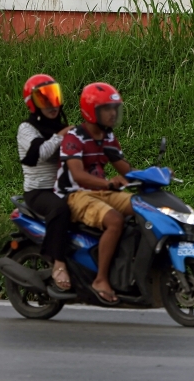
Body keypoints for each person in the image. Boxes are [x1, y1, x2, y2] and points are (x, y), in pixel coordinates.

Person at [55, 82, 136, 305]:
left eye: (114, 109)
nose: (112, 114)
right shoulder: (74, 138)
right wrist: (108, 183)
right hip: (74, 195)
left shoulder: (108, 137)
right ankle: (100, 280)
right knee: (114, 220)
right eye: (106, 109)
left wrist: (156, 176)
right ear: (91, 111)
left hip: (100, 191)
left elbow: (126, 169)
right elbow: (79, 176)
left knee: (142, 207)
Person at [17, 74, 74, 291]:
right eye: (44, 99)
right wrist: (62, 136)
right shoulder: (26, 129)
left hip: (63, 187)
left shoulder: (60, 126)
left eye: (54, 96)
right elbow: (39, 153)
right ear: (33, 104)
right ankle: (58, 263)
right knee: (60, 209)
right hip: (39, 192)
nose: (52, 104)